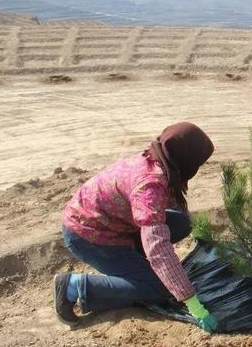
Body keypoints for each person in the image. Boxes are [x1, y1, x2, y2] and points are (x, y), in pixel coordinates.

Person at [53, 122, 218, 333]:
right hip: (89, 235)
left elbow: (167, 210)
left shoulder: (156, 158)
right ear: (186, 160)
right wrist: (193, 303)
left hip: (107, 221)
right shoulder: (150, 186)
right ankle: (74, 286)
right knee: (155, 288)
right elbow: (158, 250)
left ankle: (132, 263)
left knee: (180, 223)